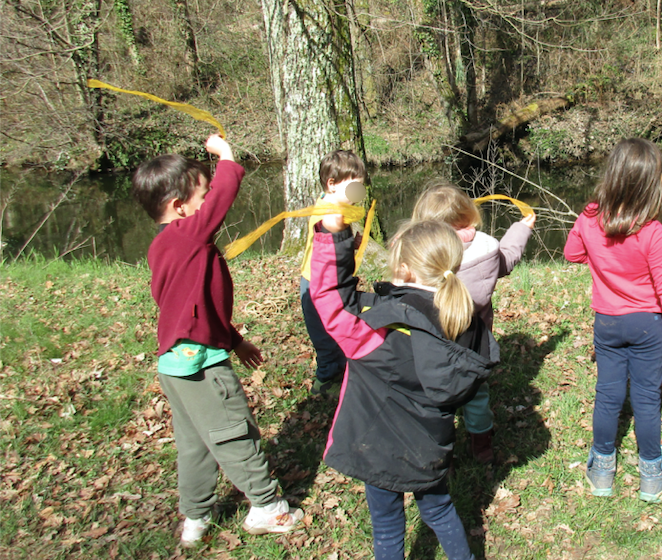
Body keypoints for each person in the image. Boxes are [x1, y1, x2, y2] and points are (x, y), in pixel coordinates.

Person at [131, 135, 303, 547]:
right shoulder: (184, 237)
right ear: (179, 208)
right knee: (232, 432)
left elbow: (195, 307)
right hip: (199, 366)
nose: (210, 202)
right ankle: (266, 507)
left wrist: (235, 340)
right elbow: (223, 196)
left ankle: (195, 519)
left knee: (196, 445)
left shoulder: (166, 248)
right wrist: (226, 159)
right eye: (202, 197)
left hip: (175, 364)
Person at [309, 214, 496, 560]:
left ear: (406, 270)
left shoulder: (379, 324)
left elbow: (331, 298)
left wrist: (333, 239)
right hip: (430, 446)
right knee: (439, 510)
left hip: (379, 448)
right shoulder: (463, 319)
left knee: (386, 523)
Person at [564, 137, 662, 503]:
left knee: (608, 393)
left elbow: (572, 253)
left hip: (608, 324)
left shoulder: (590, 217)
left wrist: (602, 264)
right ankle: (652, 473)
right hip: (648, 325)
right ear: (650, 188)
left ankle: (602, 469)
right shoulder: (652, 232)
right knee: (647, 398)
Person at [411, 183, 534, 463]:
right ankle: (482, 444)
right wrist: (521, 228)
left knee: (434, 395)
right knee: (477, 395)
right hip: (475, 346)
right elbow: (508, 258)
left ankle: (438, 448)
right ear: (469, 214)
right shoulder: (487, 251)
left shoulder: (421, 258)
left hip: (431, 346)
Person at [299, 150, 367, 397]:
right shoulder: (329, 213)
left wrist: (350, 242)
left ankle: (339, 373)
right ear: (332, 184)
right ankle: (324, 383)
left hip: (330, 284)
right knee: (325, 338)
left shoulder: (331, 205)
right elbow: (326, 232)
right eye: (354, 187)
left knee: (336, 331)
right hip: (316, 286)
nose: (358, 192)